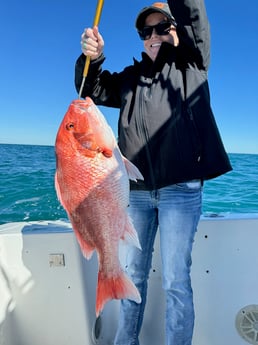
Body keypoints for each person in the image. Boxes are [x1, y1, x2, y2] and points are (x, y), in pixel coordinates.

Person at [75, 1, 232, 344]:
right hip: (137, 193)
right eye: (147, 31)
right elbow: (89, 89)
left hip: (182, 191)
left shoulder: (193, 63)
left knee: (176, 280)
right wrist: (94, 57)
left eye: (163, 27)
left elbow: (193, 16)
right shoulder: (130, 79)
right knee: (133, 273)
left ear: (177, 31)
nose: (155, 36)